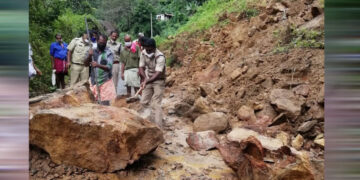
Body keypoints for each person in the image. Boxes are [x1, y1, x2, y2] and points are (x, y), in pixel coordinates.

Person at [139, 38, 166, 128]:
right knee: (143, 102)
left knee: (156, 103)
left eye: (150, 50)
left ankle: (158, 127)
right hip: (148, 78)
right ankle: (150, 118)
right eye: (147, 49)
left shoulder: (160, 57)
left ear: (154, 48)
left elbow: (158, 73)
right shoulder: (143, 52)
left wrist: (147, 81)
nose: (148, 51)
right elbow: (141, 67)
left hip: (159, 80)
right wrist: (144, 78)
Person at [89, 34, 116, 105]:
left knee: (105, 104)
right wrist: (89, 55)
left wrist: (98, 65)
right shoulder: (92, 51)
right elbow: (85, 63)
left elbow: (109, 67)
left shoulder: (109, 52)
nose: (102, 44)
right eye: (100, 43)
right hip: (94, 80)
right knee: (94, 103)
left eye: (104, 43)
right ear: (97, 41)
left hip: (105, 81)